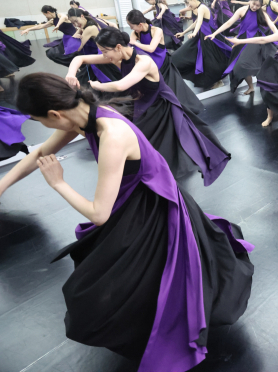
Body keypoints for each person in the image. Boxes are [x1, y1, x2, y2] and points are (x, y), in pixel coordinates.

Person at [0, 73, 253, 372]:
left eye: (39, 120)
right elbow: (41, 152)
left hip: (153, 206)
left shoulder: (112, 134)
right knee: (139, 276)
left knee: (141, 276)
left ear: (54, 114)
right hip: (133, 201)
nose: (42, 127)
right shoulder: (82, 116)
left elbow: (99, 214)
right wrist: (2, 185)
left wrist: (58, 183)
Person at [65, 27, 230, 186]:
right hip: (140, 102)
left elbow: (121, 85)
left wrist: (97, 85)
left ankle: (158, 179)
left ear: (118, 47)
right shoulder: (115, 56)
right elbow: (80, 59)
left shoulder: (143, 61)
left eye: (105, 51)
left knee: (150, 143)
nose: (103, 55)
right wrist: (71, 74)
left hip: (158, 105)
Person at [126, 10, 203, 114]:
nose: (131, 28)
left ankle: (179, 110)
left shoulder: (156, 31)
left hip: (162, 62)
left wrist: (135, 43)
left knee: (172, 90)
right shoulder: (135, 32)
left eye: (131, 26)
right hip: (150, 62)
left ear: (140, 24)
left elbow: (151, 48)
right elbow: (131, 44)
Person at [206, 0, 278, 95]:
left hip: (254, 40)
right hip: (241, 39)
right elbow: (228, 23)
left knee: (250, 63)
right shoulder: (242, 10)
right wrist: (215, 33)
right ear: (250, 0)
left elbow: (272, 26)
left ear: (261, 6)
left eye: (258, 5)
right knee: (240, 66)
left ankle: (268, 84)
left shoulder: (262, 13)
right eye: (253, 4)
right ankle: (251, 87)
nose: (255, 7)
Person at [171, 0, 231, 90]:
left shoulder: (202, 8)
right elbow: (196, 23)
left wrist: (194, 33)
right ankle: (216, 80)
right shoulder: (200, 8)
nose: (189, 6)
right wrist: (183, 33)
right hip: (203, 37)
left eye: (189, 3)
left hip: (208, 37)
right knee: (207, 61)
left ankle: (217, 80)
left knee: (212, 61)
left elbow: (199, 22)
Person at [66, 8, 121, 84]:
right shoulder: (90, 23)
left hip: (99, 58)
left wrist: (75, 35)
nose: (75, 25)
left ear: (82, 16)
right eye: (73, 23)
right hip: (99, 56)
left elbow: (76, 48)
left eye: (76, 21)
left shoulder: (89, 28)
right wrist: (79, 30)